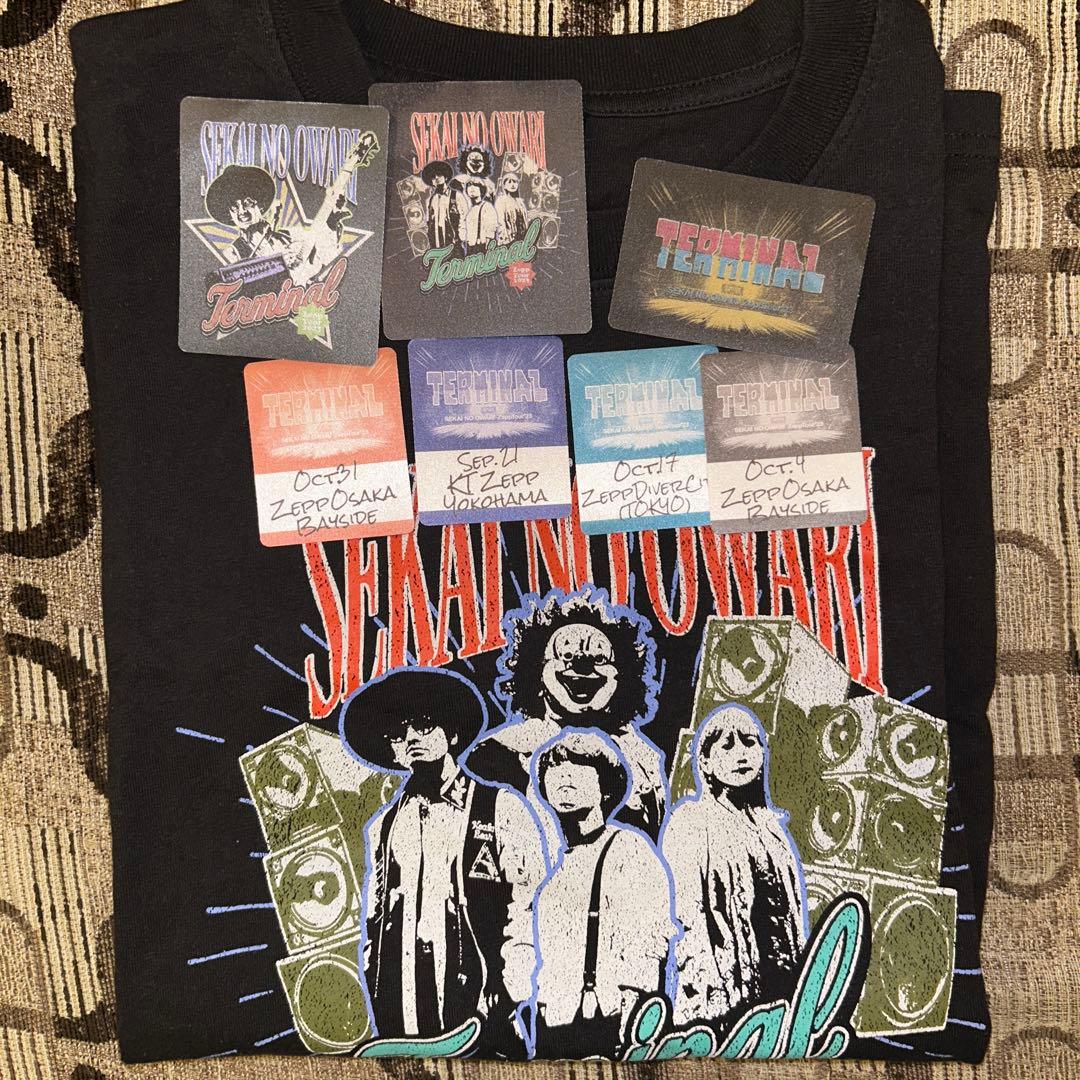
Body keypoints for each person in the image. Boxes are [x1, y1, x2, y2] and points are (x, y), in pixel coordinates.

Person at [340, 667, 548, 1059]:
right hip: (402, 1007)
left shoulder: (500, 807)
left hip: (482, 1005)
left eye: (423, 725)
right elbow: (376, 915)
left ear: (451, 734)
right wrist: (376, 982)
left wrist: (511, 986)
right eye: (399, 734)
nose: (411, 739)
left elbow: (529, 904)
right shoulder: (385, 826)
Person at [470, 588, 668, 842]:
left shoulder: (642, 757)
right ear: (537, 672)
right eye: (565, 655)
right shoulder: (502, 749)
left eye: (599, 657)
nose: (581, 665)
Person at [531, 730, 677, 1059]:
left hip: (609, 1021)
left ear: (605, 787)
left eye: (579, 769)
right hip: (552, 1023)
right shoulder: (550, 859)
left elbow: (649, 940)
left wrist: (633, 1013)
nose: (565, 778)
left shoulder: (629, 848)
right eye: (556, 770)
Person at [661, 704, 806, 1030]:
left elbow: (792, 913)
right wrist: (712, 996)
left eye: (749, 742)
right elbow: (688, 917)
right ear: (705, 761)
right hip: (721, 994)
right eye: (726, 745)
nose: (741, 753)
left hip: (780, 988)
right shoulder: (691, 821)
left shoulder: (771, 828)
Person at [203, 163, 295, 264]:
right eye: (234, 207)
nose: (242, 211)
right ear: (230, 215)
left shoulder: (286, 237)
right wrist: (279, 263)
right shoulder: (233, 254)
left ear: (260, 206)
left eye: (247, 203)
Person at [421, 159, 460, 252]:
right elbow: (428, 220)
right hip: (436, 239)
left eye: (439, 175)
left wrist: (460, 236)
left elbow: (464, 217)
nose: (436, 178)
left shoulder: (456, 195)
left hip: (453, 238)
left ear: (445, 177)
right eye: (433, 177)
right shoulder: (430, 200)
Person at [461, 179, 498, 252]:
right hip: (471, 247)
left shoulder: (487, 206)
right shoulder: (469, 210)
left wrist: (488, 241)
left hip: (483, 246)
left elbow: (492, 226)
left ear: (481, 189)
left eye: (475, 186)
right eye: (469, 186)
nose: (472, 188)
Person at [495, 174, 529, 243]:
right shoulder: (501, 200)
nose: (513, 185)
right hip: (508, 238)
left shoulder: (520, 202)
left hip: (521, 237)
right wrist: (505, 239)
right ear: (504, 186)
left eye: (514, 182)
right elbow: (500, 222)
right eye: (509, 182)